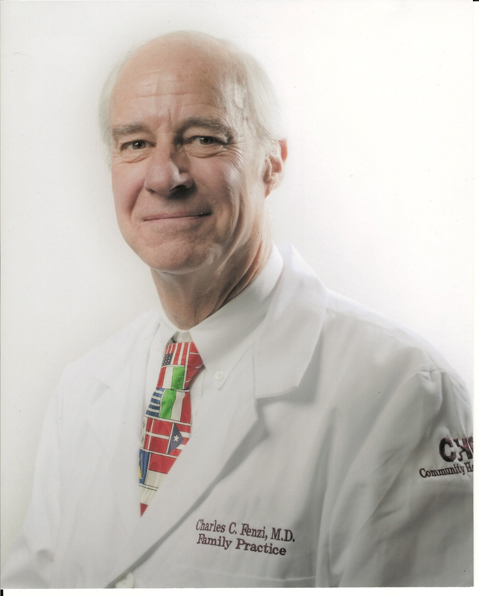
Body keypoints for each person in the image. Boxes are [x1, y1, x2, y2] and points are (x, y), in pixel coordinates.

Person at [2, 31, 472, 588]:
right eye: (135, 144)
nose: (163, 176)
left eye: (203, 139)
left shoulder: (403, 394)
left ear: (273, 164)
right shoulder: (82, 389)